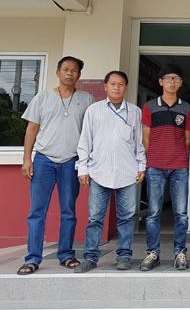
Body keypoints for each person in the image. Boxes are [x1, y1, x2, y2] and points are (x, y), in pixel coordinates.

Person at [17, 56, 95, 275]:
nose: (70, 73)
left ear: (79, 75)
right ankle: (32, 258)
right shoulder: (42, 97)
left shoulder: (87, 99)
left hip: (71, 161)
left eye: (74, 70)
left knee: (69, 210)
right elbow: (32, 129)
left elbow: (91, 133)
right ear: (58, 72)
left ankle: (66, 254)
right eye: (66, 69)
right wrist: (27, 158)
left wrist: (87, 163)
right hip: (44, 160)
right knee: (37, 211)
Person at [74, 71, 146, 273]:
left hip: (127, 172)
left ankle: (124, 256)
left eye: (120, 84)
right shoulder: (94, 110)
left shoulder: (134, 111)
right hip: (99, 171)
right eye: (113, 84)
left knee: (126, 218)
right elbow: (85, 141)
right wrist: (83, 168)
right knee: (95, 218)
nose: (116, 87)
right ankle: (90, 257)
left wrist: (141, 166)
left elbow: (139, 142)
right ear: (105, 86)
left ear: (126, 87)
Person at [139, 63, 190, 271]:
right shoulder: (150, 106)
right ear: (161, 81)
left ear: (180, 83)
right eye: (168, 78)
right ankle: (153, 253)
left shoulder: (186, 108)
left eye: (176, 79)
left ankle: (180, 253)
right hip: (155, 166)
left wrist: (178, 156)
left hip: (179, 166)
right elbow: (146, 138)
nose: (172, 82)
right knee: (153, 213)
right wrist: (157, 155)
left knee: (181, 213)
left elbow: (187, 140)